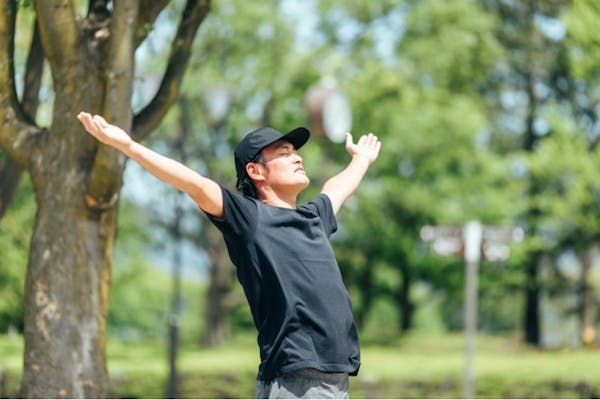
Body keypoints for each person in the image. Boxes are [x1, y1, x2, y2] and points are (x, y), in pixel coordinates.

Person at [77, 112, 381, 399]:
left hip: (334, 377)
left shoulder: (313, 218)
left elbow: (336, 188)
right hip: (297, 379)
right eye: (284, 152)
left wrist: (361, 159)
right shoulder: (251, 219)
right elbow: (195, 184)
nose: (297, 157)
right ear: (255, 171)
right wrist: (129, 146)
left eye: (295, 152)